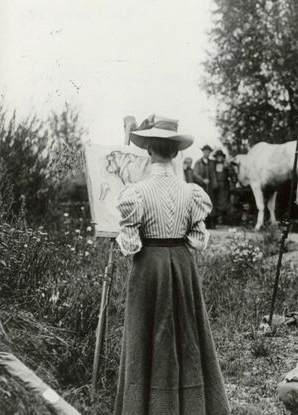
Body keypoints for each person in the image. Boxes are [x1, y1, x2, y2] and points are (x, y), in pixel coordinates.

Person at [114, 115, 229, 415]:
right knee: (187, 336)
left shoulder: (135, 192)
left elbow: (129, 245)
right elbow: (198, 240)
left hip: (148, 267)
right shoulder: (190, 192)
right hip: (181, 265)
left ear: (148, 150)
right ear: (176, 153)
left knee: (145, 337)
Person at [193, 144, 217, 228]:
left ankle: (212, 223)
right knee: (202, 204)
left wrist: (214, 183)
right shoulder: (198, 163)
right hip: (202, 187)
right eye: (205, 151)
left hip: (210, 187)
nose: (207, 153)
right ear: (203, 152)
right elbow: (195, 174)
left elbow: (214, 174)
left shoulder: (212, 163)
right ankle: (202, 224)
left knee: (211, 203)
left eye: (208, 152)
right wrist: (203, 180)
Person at [211, 149, 234, 226]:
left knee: (225, 202)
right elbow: (212, 174)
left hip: (224, 185)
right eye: (218, 156)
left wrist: (228, 168)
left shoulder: (226, 164)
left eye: (220, 156)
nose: (219, 158)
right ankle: (217, 220)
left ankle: (224, 220)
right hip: (215, 185)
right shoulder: (213, 164)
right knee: (216, 201)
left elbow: (232, 174)